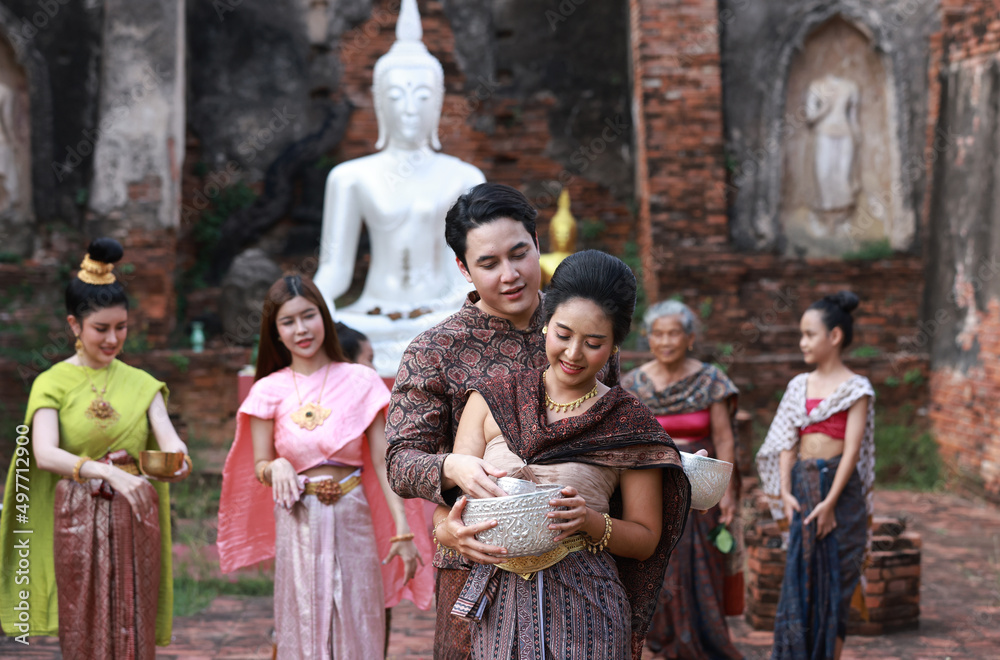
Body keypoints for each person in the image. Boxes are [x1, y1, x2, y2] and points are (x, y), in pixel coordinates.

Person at [385, 182, 621, 659]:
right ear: (463, 268)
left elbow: (614, 432)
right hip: (478, 558)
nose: (510, 275)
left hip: (580, 560)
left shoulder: (582, 331)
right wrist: (452, 467)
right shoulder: (435, 351)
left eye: (519, 254)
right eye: (489, 264)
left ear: (538, 242)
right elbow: (400, 459)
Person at [435, 250, 690, 660]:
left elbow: (646, 539)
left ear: (614, 345)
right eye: (563, 334)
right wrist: (447, 533)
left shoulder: (627, 421)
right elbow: (450, 509)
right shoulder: (490, 399)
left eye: (593, 343)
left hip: (587, 608)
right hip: (497, 607)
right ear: (545, 325)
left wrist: (588, 522)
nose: (573, 354)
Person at [216, 274, 433, 659]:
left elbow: (385, 462)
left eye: (309, 316)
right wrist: (276, 468)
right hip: (297, 518)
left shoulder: (361, 380)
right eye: (288, 321)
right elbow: (260, 464)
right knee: (301, 620)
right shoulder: (268, 389)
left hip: (354, 516)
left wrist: (403, 529)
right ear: (275, 332)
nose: (301, 329)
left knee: (359, 617)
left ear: (324, 318)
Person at [0, 237, 191, 658]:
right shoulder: (50, 383)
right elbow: (44, 452)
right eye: (100, 329)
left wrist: (179, 461)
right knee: (82, 619)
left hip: (134, 515)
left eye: (120, 327)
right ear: (74, 326)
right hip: (76, 514)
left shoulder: (141, 383)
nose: (112, 339)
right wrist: (107, 471)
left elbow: (168, 436)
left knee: (133, 619)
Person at [756, 291, 874, 660]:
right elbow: (787, 442)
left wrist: (830, 504)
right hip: (804, 489)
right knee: (801, 577)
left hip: (841, 494)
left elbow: (853, 451)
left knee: (837, 583)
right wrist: (787, 492)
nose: (802, 342)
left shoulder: (857, 389)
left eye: (809, 334)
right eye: (801, 334)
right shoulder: (797, 386)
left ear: (834, 337)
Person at [622, 300, 743, 659]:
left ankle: (699, 637)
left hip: (702, 489)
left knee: (699, 559)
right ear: (649, 339)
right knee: (659, 556)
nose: (665, 340)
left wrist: (729, 492)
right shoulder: (634, 383)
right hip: (654, 486)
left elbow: (724, 439)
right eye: (658, 334)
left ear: (689, 338)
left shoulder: (711, 380)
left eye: (673, 333)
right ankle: (662, 635)